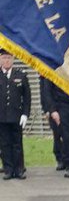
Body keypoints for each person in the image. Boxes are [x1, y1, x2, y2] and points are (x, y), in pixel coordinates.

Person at [0, 51, 30, 180]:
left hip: (16, 116)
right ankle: (8, 169)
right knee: (5, 143)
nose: (6, 60)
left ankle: (18, 169)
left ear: (13, 59)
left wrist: (25, 114)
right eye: (4, 58)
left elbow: (27, 97)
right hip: (1, 116)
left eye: (9, 58)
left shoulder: (21, 75)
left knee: (17, 143)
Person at [40, 77, 65, 170]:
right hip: (53, 107)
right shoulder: (46, 73)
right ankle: (60, 159)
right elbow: (44, 92)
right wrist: (46, 109)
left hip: (65, 105)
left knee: (68, 134)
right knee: (57, 134)